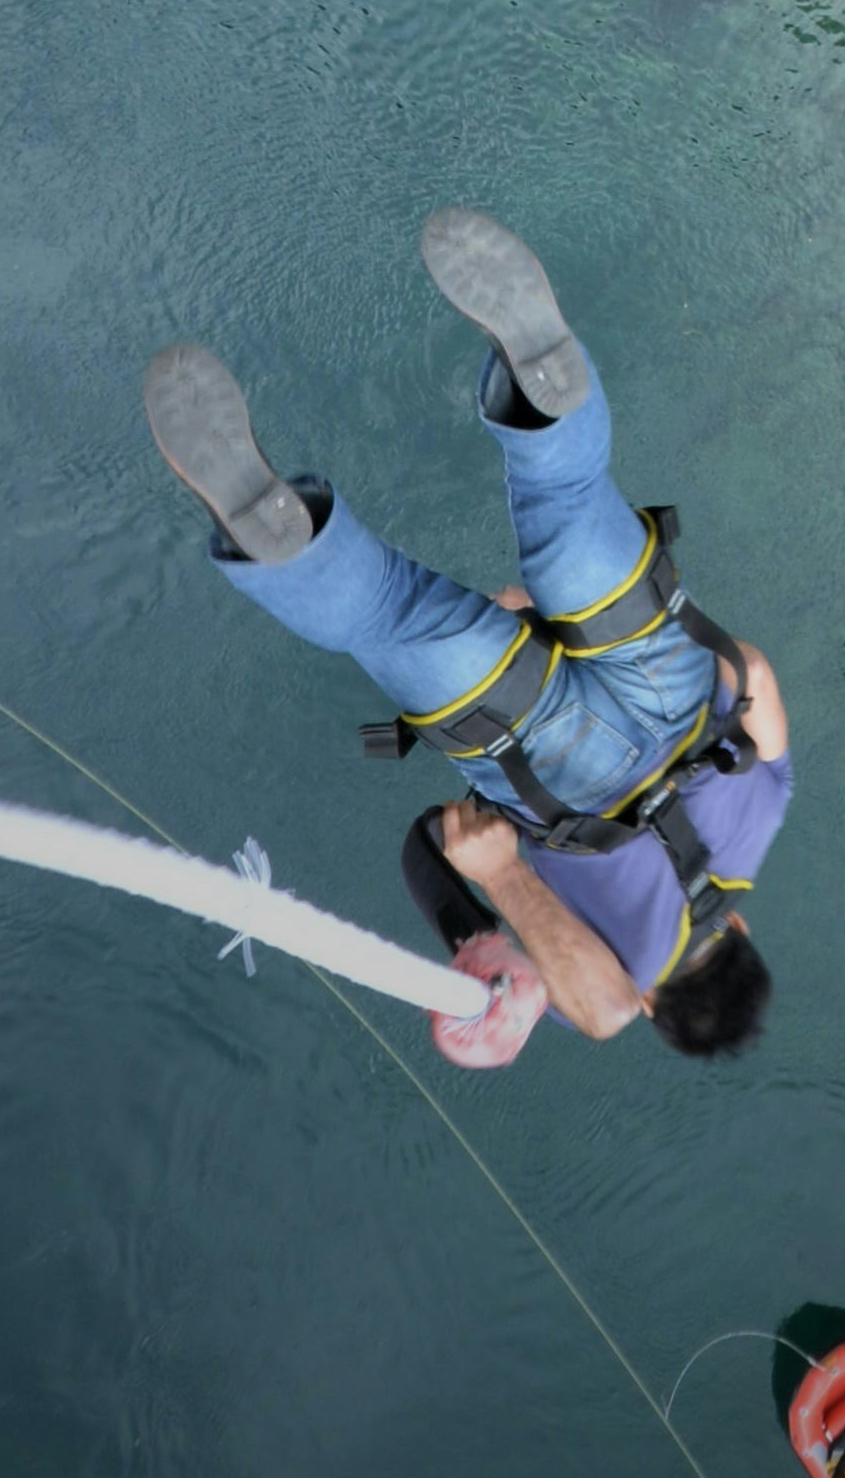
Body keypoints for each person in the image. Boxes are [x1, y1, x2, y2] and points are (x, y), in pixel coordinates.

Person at [149, 210, 789, 1063]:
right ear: (651, 1006)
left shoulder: (766, 817)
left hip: (665, 682)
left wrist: (582, 639)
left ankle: (543, 394)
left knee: (569, 502)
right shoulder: (609, 989)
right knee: (383, 612)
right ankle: (285, 539)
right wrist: (500, 881)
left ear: (740, 926)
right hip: (550, 765)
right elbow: (590, 1006)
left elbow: (754, 674)